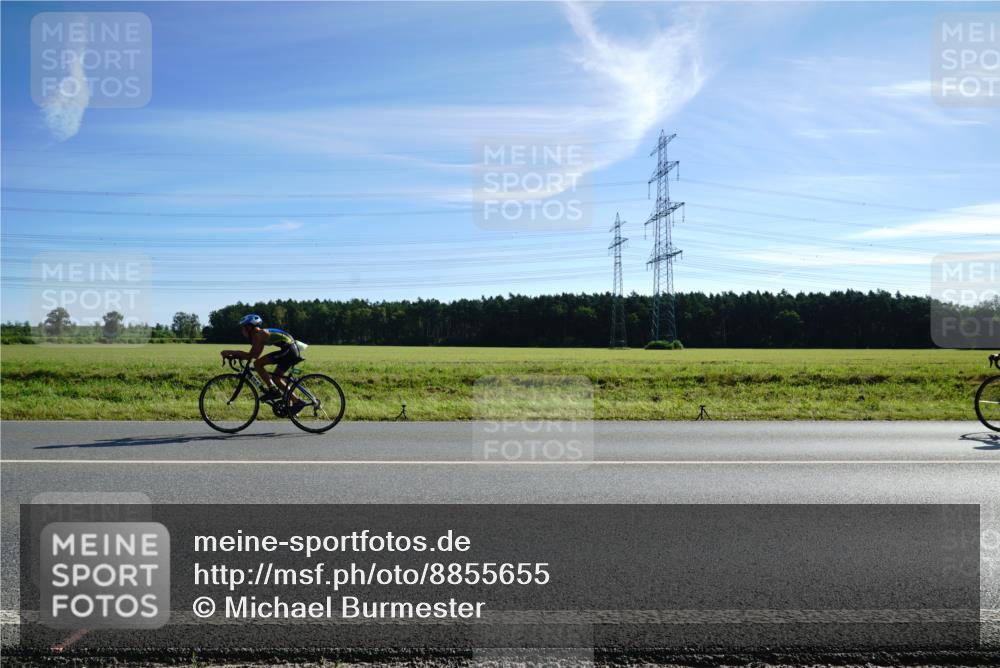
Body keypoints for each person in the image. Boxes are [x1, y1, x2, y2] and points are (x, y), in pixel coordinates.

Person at [221, 314, 306, 409]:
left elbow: (251, 356)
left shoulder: (260, 335)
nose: (242, 331)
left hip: (289, 350)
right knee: (276, 378)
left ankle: (274, 391)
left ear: (249, 327)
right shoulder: (260, 335)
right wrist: (237, 355)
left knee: (258, 364)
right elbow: (255, 355)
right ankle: (297, 401)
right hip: (290, 350)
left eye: (243, 328)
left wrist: (230, 352)